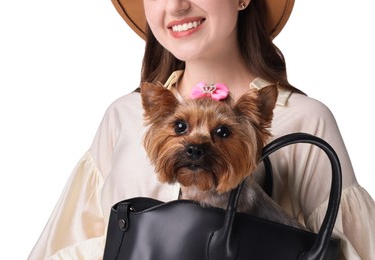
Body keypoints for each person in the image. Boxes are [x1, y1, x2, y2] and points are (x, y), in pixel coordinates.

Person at [29, 0, 375, 259]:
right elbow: (67, 246)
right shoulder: (124, 115)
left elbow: (349, 251)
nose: (177, 5)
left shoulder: (304, 119)